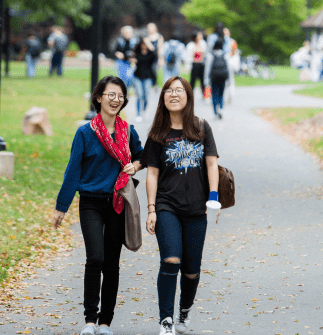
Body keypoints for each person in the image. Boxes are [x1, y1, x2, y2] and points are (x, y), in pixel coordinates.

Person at [53, 75, 144, 335]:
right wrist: (62, 205)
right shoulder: (85, 133)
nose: (116, 100)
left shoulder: (128, 131)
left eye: (120, 96)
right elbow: (73, 170)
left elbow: (142, 155)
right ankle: (90, 321)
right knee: (95, 258)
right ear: (98, 97)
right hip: (91, 203)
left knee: (111, 262)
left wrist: (135, 165)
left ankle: (105, 323)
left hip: (118, 202)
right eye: (111, 95)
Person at [141, 76, 220, 335]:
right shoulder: (157, 134)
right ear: (163, 97)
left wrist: (214, 196)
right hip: (167, 206)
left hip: (196, 209)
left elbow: (211, 164)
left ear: (188, 96)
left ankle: (184, 310)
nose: (174, 94)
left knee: (191, 271)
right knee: (171, 260)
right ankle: (166, 320)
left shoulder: (201, 127)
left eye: (179, 90)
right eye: (168, 91)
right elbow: (151, 173)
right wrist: (152, 209)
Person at [133, 39, 157, 122]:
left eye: (145, 44)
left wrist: (150, 45)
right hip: (138, 76)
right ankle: (138, 114)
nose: (144, 46)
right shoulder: (137, 52)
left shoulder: (151, 54)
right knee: (139, 95)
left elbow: (156, 56)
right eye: (143, 44)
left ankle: (144, 110)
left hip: (148, 77)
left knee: (146, 95)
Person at [204, 39, 229, 119]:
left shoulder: (211, 55)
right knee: (221, 94)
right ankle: (221, 108)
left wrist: (206, 79)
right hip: (223, 77)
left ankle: (215, 112)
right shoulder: (225, 55)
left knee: (214, 94)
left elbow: (207, 68)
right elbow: (228, 68)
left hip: (214, 77)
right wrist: (228, 79)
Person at [115, 26, 139, 90]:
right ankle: (124, 93)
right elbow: (115, 51)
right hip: (122, 62)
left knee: (130, 78)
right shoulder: (120, 40)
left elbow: (139, 52)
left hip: (131, 62)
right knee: (122, 79)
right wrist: (118, 54)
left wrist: (134, 58)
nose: (127, 34)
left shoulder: (135, 41)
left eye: (128, 32)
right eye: (125, 32)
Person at [185, 31, 207, 99]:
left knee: (204, 81)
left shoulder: (203, 44)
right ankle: (190, 95)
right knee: (192, 81)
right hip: (194, 64)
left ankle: (206, 95)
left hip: (201, 64)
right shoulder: (191, 45)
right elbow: (188, 56)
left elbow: (205, 53)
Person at [223, 28, 239, 104]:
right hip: (224, 63)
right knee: (228, 80)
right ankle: (227, 96)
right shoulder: (223, 41)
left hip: (229, 63)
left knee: (229, 80)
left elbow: (234, 52)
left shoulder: (232, 42)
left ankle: (229, 96)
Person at [147, 23, 165, 88]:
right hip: (148, 57)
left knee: (155, 70)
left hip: (155, 57)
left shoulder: (159, 36)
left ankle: (155, 84)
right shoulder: (146, 37)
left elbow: (160, 48)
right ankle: (150, 84)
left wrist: (160, 58)